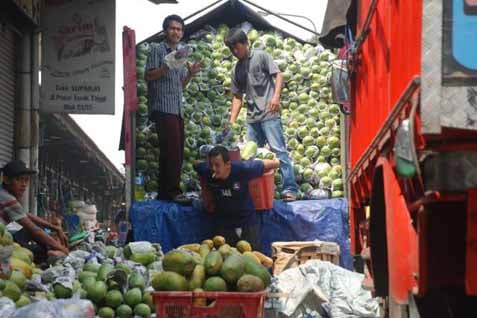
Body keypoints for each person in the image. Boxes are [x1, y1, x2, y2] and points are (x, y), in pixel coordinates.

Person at [224, 28, 299, 202]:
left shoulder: (261, 56)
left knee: (279, 151)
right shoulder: (236, 70)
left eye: (237, 47)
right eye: (232, 49)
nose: (235, 52)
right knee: (250, 158)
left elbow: (278, 75)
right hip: (252, 119)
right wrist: (231, 121)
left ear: (245, 43)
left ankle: (290, 189)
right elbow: (237, 97)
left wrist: (276, 97)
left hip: (269, 114)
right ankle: (253, 192)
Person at [145, 14, 202, 204]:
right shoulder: (157, 50)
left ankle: (165, 194)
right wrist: (165, 67)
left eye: (179, 29)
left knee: (174, 151)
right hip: (162, 106)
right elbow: (149, 76)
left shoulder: (181, 53)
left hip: (176, 108)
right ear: (165, 31)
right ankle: (173, 193)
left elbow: (180, 85)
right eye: (172, 28)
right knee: (172, 151)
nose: (176, 32)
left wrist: (191, 74)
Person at [194, 146, 280, 250]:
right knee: (224, 258)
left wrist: (277, 162)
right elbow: (196, 164)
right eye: (211, 165)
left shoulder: (243, 169)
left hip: (246, 222)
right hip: (223, 224)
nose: (213, 169)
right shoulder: (207, 171)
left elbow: (267, 164)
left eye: (217, 165)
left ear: (228, 165)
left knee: (253, 257)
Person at [0, 160, 69, 258]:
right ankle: (49, 253)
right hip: (2, 241)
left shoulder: (3, 193)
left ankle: (50, 250)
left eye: (26, 180)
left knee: (29, 226)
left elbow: (26, 215)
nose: (24, 184)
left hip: (6, 232)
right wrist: (64, 250)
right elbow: (35, 230)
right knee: (32, 231)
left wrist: (55, 228)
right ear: (6, 180)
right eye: (19, 179)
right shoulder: (7, 198)